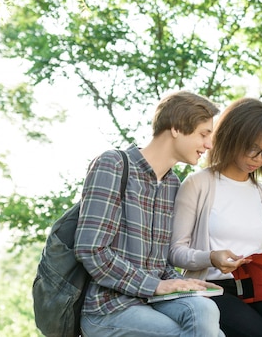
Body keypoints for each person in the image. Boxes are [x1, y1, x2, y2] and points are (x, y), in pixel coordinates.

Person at [74, 90, 225, 337]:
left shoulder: (172, 184)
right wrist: (156, 286)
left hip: (153, 302)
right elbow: (91, 250)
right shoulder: (113, 164)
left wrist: (182, 284)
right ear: (176, 128)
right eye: (203, 134)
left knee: (205, 309)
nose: (209, 145)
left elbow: (159, 262)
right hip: (110, 308)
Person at [169, 97, 262, 337]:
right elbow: (175, 252)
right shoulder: (199, 184)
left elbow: (252, 246)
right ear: (233, 136)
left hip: (256, 288)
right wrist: (211, 257)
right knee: (257, 331)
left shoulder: (261, 193)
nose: (258, 159)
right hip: (213, 287)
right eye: (253, 148)